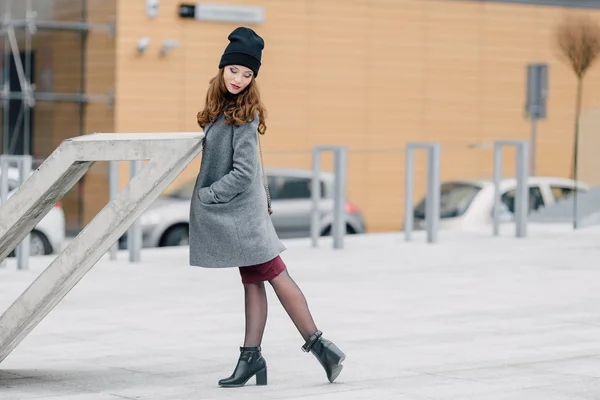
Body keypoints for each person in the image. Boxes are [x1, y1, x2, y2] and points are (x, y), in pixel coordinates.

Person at [189, 27, 346, 388]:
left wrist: (209, 195)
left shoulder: (244, 114)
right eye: (234, 71)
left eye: (247, 74)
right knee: (255, 282)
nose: (239, 79)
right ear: (222, 69)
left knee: (274, 274)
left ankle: (321, 347)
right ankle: (253, 357)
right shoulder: (222, 108)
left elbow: (244, 173)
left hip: (243, 216)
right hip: (240, 216)